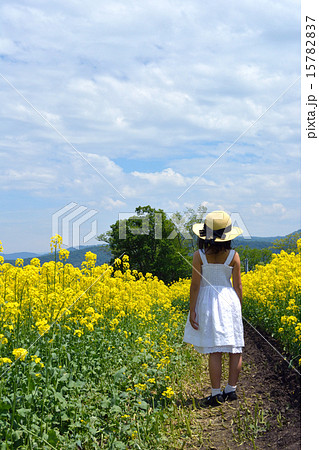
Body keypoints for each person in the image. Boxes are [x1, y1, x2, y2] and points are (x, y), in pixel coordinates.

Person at [183, 210, 244, 407]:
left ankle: (216, 393)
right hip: (229, 301)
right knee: (235, 348)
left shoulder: (198, 256)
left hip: (208, 301)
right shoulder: (234, 256)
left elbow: (195, 285)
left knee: (215, 351)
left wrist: (192, 309)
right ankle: (231, 390)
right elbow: (238, 286)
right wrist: (239, 308)